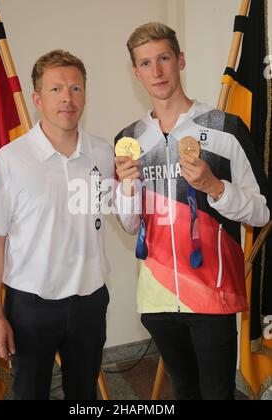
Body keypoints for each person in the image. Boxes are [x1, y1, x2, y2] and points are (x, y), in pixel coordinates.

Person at [115, 22, 270, 400]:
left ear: (180, 60)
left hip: (213, 293)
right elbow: (129, 222)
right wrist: (128, 188)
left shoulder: (225, 128)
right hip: (155, 297)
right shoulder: (128, 139)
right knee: (184, 389)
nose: (157, 71)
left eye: (164, 58)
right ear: (136, 73)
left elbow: (262, 211)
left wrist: (215, 188)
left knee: (216, 392)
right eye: (146, 63)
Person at [0, 50, 114, 400]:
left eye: (75, 88)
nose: (67, 98)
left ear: (85, 93)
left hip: (90, 302)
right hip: (30, 307)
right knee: (28, 393)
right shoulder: (10, 159)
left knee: (83, 395)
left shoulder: (104, 153)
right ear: (38, 98)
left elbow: (124, 216)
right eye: (56, 89)